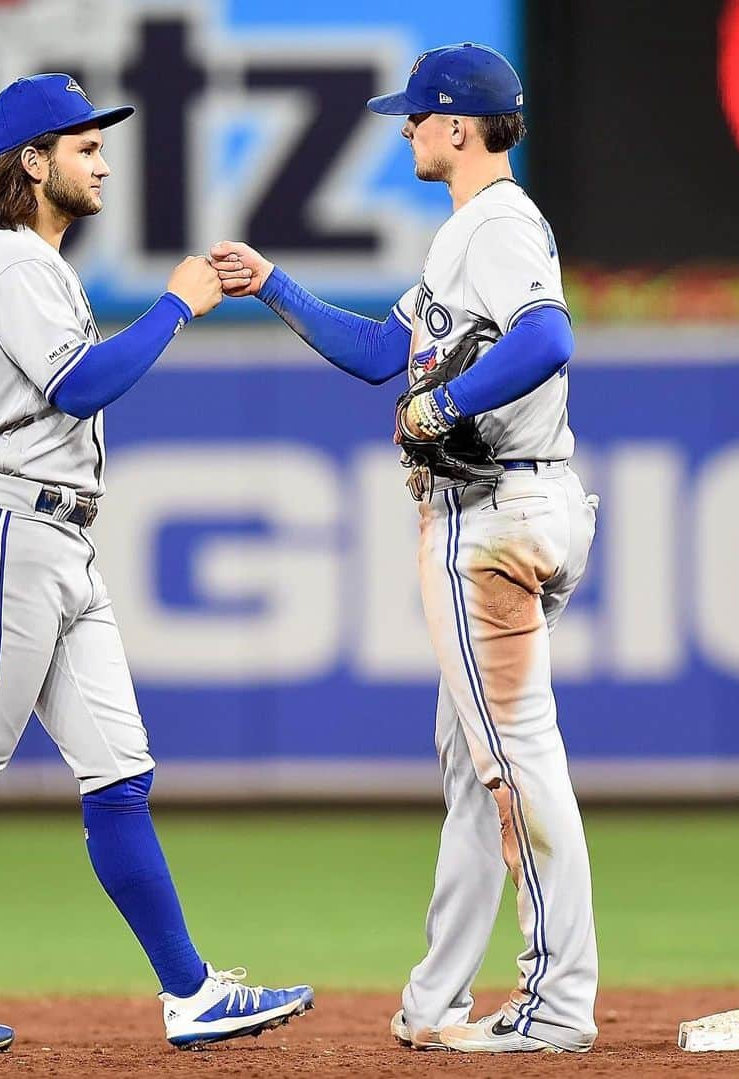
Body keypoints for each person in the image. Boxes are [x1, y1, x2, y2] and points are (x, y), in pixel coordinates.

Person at [0, 73, 313, 1054]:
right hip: (13, 536)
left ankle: (188, 991)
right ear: (33, 161)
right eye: (84, 143)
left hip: (51, 538)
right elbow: (78, 383)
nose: (102, 157)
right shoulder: (13, 257)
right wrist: (178, 305)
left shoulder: (29, 269)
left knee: (119, 773)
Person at [211, 43, 597, 1055]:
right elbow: (384, 354)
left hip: (492, 516)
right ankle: (435, 1000)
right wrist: (275, 285)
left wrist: (449, 400)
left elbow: (548, 335)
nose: (406, 129)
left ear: (460, 128)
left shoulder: (499, 221)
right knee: (477, 769)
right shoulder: (466, 233)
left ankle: (557, 1004)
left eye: (418, 116)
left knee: (513, 759)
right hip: (512, 502)